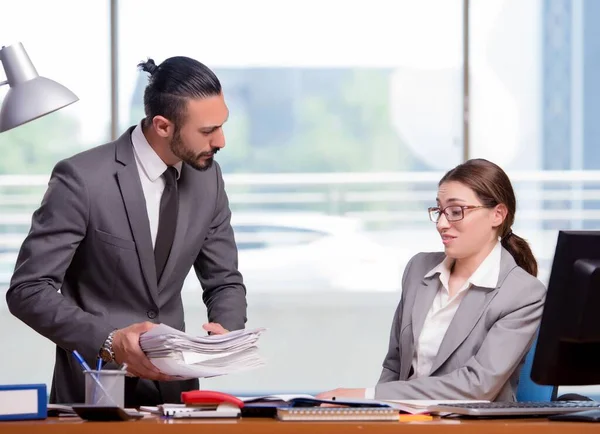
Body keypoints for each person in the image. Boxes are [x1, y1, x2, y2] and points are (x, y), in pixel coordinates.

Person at [6, 55, 247, 407]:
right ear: (163, 126)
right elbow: (28, 291)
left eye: (222, 125)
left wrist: (225, 331)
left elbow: (224, 279)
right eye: (208, 131)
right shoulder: (82, 179)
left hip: (176, 398)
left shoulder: (209, 178)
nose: (221, 141)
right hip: (95, 393)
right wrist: (109, 340)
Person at [316, 158, 546, 401]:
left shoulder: (523, 293)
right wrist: (377, 413)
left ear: (497, 214)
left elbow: (477, 386)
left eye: (456, 212)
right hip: (405, 422)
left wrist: (368, 395)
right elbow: (394, 366)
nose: (442, 224)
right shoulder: (418, 269)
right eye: (439, 211)